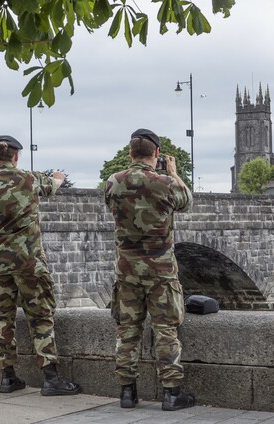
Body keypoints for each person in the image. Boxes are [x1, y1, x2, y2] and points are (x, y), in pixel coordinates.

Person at [0, 135, 82, 396]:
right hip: (29, 262)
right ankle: (51, 378)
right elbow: (54, 184)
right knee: (40, 316)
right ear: (16, 156)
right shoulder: (30, 179)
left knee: (2, 318)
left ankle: (7, 377)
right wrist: (58, 176)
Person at [104, 128, 195, 411]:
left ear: (130, 153)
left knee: (127, 331)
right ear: (156, 153)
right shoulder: (166, 183)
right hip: (161, 271)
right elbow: (187, 201)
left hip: (127, 270)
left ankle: (127, 392)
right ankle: (171, 393)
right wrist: (173, 173)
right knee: (166, 329)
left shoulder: (113, 182)